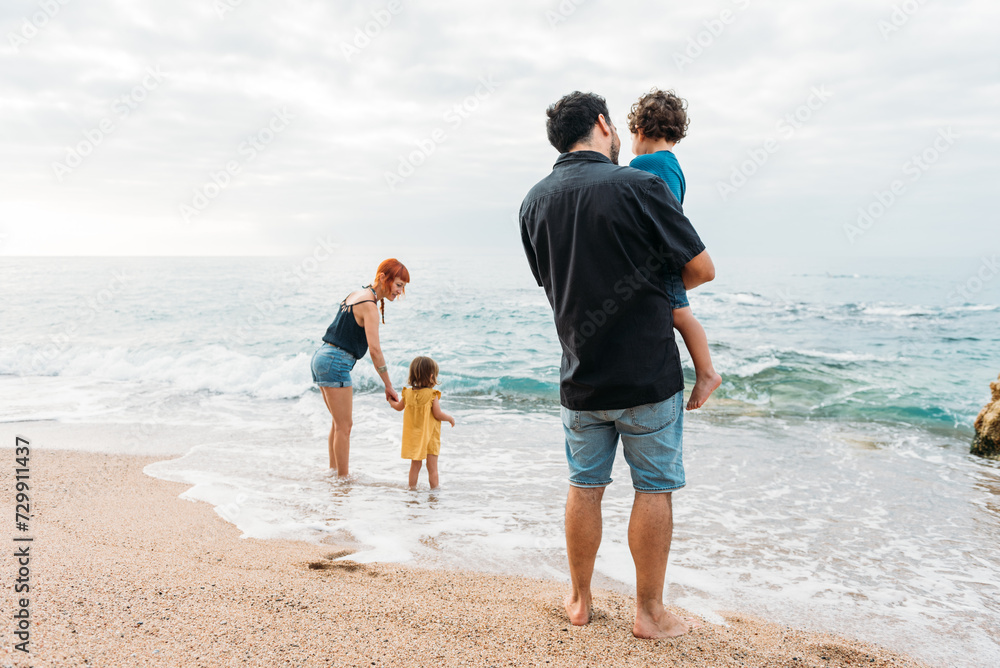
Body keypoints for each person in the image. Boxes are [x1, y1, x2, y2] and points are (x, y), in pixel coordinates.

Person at [519, 91, 715, 639]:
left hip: (579, 376)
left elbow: (553, 283)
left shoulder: (532, 203)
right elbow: (701, 269)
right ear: (604, 125)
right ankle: (649, 614)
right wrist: (657, 289)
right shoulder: (641, 185)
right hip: (647, 373)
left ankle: (580, 601)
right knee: (652, 488)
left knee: (585, 485)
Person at [627, 88, 721, 410]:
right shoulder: (673, 164)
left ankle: (706, 372)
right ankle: (705, 371)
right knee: (680, 313)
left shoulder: (645, 163)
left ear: (639, 130)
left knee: (680, 314)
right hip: (668, 253)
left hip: (661, 257)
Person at [311, 258, 409, 477]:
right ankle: (343, 482)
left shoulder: (355, 294)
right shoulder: (370, 306)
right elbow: (375, 351)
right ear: (383, 278)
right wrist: (388, 385)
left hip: (321, 357)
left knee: (338, 424)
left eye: (403, 287)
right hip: (335, 361)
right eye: (399, 285)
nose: (400, 291)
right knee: (344, 427)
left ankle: (334, 474)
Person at [388, 356, 456, 490]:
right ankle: (434, 492)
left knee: (415, 465)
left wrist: (391, 401)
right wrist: (449, 418)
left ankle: (412, 489)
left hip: (415, 436)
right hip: (430, 436)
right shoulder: (432, 394)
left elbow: (398, 407)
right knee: (432, 468)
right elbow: (438, 414)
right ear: (431, 376)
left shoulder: (407, 393)